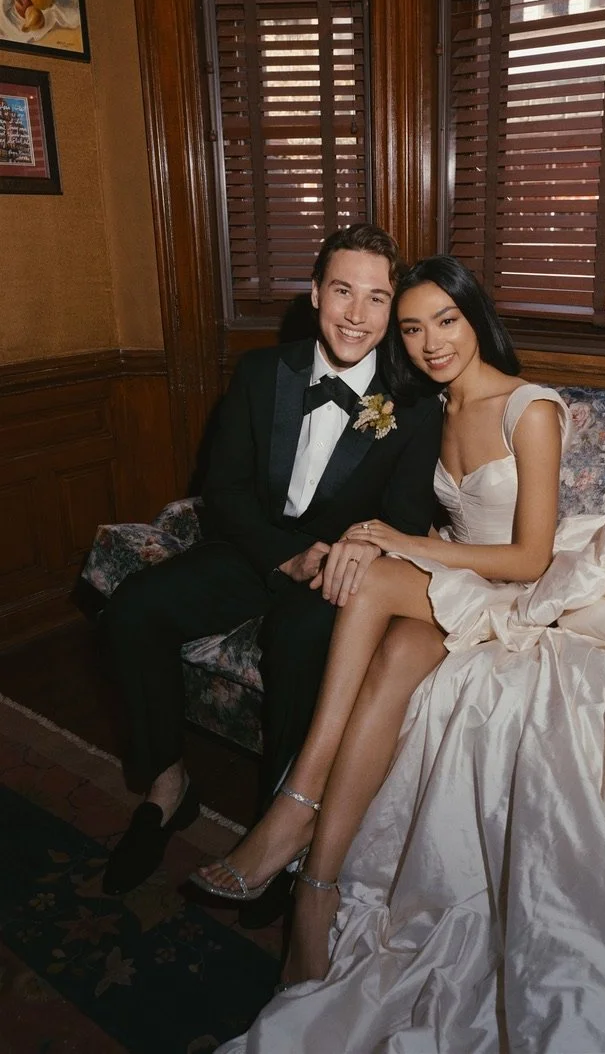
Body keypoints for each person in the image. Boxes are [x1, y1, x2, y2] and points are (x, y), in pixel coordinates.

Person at [214, 256, 605, 1054]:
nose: (428, 342)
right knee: (387, 667)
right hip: (449, 581)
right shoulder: (421, 406)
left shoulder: (531, 409)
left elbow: (528, 557)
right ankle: (316, 893)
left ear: (474, 317)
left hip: (521, 588)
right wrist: (378, 538)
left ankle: (295, 803)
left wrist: (396, 545)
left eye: (443, 321)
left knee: (377, 578)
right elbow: (405, 511)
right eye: (410, 329)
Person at [100, 224, 443, 897]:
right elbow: (222, 489)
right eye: (342, 291)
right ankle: (168, 787)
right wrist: (283, 555)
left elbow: (403, 522)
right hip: (256, 547)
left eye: (377, 299)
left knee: (298, 646)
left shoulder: (414, 406)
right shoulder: (263, 372)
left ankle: (273, 838)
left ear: (392, 309)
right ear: (315, 292)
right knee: (133, 611)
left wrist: (347, 551)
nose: (356, 314)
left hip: (336, 575)